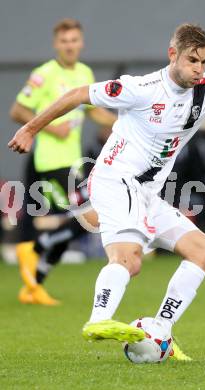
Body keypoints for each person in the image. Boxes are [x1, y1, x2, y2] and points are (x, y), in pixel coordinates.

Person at [8, 23, 205, 352]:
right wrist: (29, 130)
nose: (199, 69)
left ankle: (160, 331)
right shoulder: (140, 88)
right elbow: (76, 95)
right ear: (173, 55)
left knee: (204, 251)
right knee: (130, 260)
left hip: (147, 193)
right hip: (115, 181)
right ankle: (99, 319)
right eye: (192, 61)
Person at [9, 18, 116, 305]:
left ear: (81, 42)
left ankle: (34, 285)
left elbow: (94, 112)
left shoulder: (84, 72)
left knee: (82, 220)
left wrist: (121, 124)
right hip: (49, 162)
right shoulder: (43, 75)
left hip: (72, 162)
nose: (69, 46)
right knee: (85, 217)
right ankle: (36, 254)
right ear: (56, 44)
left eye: (74, 40)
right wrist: (52, 127)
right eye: (64, 41)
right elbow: (18, 110)